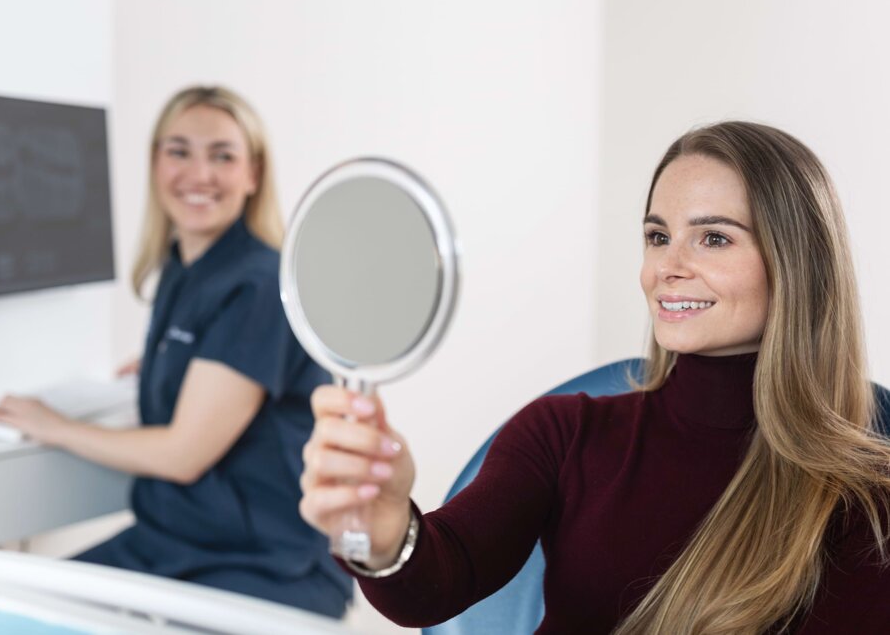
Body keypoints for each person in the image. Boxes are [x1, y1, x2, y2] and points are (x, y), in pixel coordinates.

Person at [297, 121, 890, 632]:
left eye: (713, 238)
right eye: (658, 236)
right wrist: (385, 535)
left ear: (796, 262)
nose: (668, 267)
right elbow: (438, 577)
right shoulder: (564, 433)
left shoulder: (865, 500)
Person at [0, 86, 352, 619]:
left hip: (255, 564)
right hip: (173, 540)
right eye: (179, 151)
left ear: (253, 174)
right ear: (155, 163)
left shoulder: (257, 284)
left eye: (222, 155)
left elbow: (184, 455)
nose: (198, 174)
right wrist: (176, 366)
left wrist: (56, 426)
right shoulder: (184, 267)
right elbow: (223, 359)